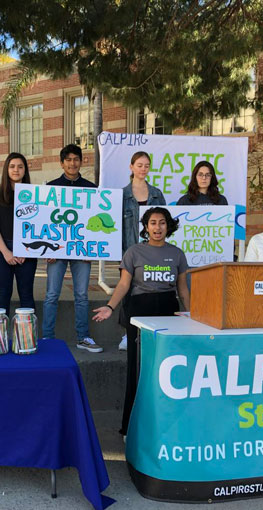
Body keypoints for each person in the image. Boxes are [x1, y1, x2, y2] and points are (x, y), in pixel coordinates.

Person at [93, 207, 190, 436]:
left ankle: (163, 427)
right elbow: (124, 285)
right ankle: (130, 428)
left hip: (168, 311)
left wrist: (192, 314)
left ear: (168, 226)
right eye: (153, 223)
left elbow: (183, 289)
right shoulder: (134, 252)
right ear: (146, 227)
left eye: (162, 223)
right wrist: (109, 307)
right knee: (138, 369)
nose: (158, 227)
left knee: (166, 370)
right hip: (140, 311)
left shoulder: (177, 254)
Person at [42, 144, 101, 352]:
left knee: (82, 295)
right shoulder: (50, 188)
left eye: (76, 159)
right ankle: (47, 337)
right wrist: (48, 249)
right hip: (56, 250)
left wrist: (90, 249)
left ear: (81, 162)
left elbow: (95, 223)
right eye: (68, 159)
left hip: (82, 251)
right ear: (61, 163)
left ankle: (83, 337)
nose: (72, 163)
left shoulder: (91, 188)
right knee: (51, 295)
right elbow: (44, 222)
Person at [118, 151, 166, 351]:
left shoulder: (156, 193)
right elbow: (116, 227)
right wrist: (120, 254)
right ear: (131, 167)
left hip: (153, 252)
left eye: (146, 165)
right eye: (139, 165)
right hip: (130, 251)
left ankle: (150, 332)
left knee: (150, 292)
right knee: (128, 292)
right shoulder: (122, 195)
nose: (143, 169)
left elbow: (165, 222)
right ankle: (127, 334)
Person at [0, 152, 37, 315]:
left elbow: (37, 224)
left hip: (27, 250)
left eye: (20, 167)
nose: (16, 170)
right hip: (2, 249)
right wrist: (6, 252)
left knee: (27, 296)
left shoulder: (34, 195)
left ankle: (27, 339)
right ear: (6, 169)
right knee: (3, 295)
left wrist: (25, 250)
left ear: (25, 170)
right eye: (12, 166)